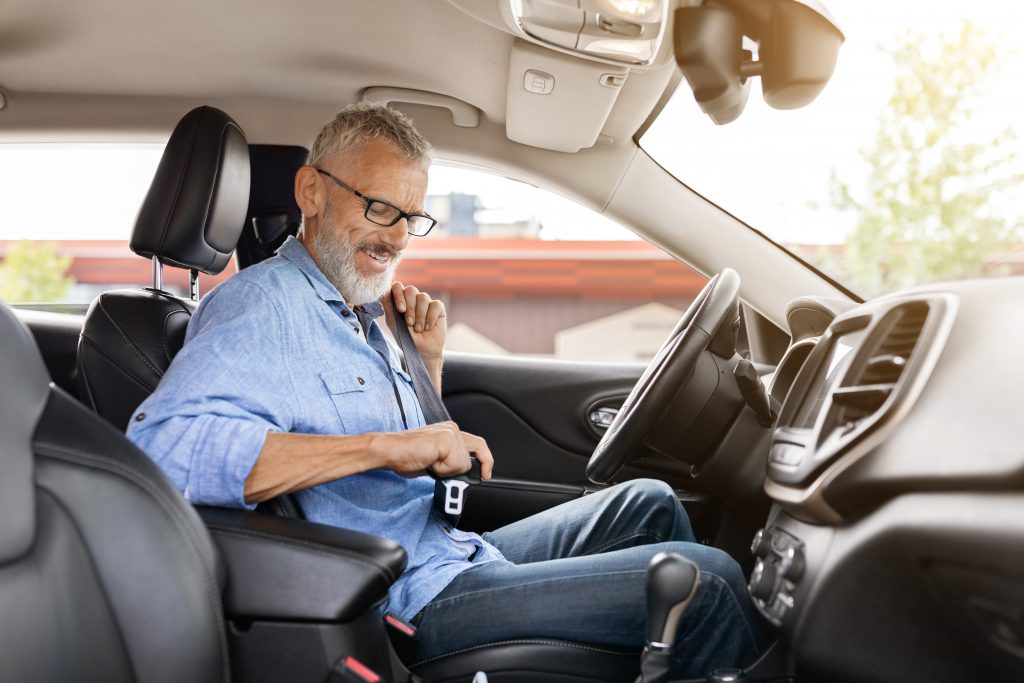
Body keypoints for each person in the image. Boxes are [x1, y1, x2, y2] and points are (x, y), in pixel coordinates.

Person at [127, 102, 764, 677]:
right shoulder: (261, 307)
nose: (397, 237)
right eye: (379, 209)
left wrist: (426, 367)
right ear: (312, 191)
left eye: (412, 218)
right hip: (405, 599)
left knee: (648, 503)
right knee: (707, 582)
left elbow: (414, 462)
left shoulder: (358, 311)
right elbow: (166, 452)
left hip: (453, 552)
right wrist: (383, 447)